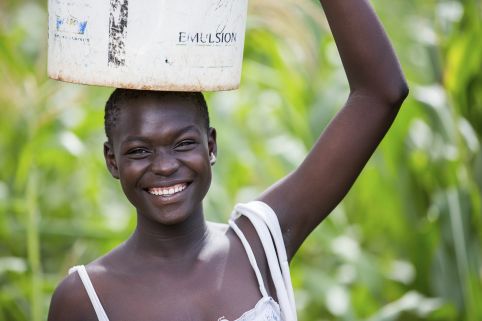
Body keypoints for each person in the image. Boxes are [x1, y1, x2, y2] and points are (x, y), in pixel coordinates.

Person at [47, 0, 408, 320]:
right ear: (112, 160)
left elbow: (382, 94)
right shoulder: (84, 299)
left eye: (184, 143)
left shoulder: (260, 244)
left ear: (211, 145)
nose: (164, 165)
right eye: (140, 150)